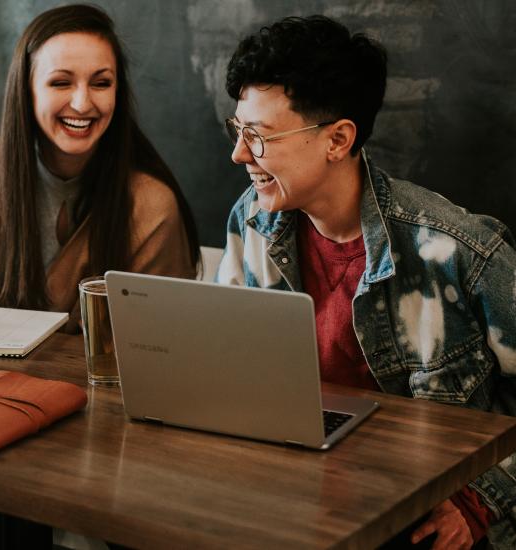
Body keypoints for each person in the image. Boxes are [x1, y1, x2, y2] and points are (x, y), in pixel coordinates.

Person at [217, 15, 516, 549]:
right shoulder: (253, 219)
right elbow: (231, 372)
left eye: (258, 136)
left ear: (338, 139)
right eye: (237, 130)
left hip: (420, 513)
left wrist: (478, 504)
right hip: (297, 498)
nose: (239, 153)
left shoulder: (458, 251)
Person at [0, 3, 201, 327]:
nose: (82, 103)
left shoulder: (152, 206)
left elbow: (162, 340)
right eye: (61, 83)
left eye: (101, 83)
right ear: (27, 91)